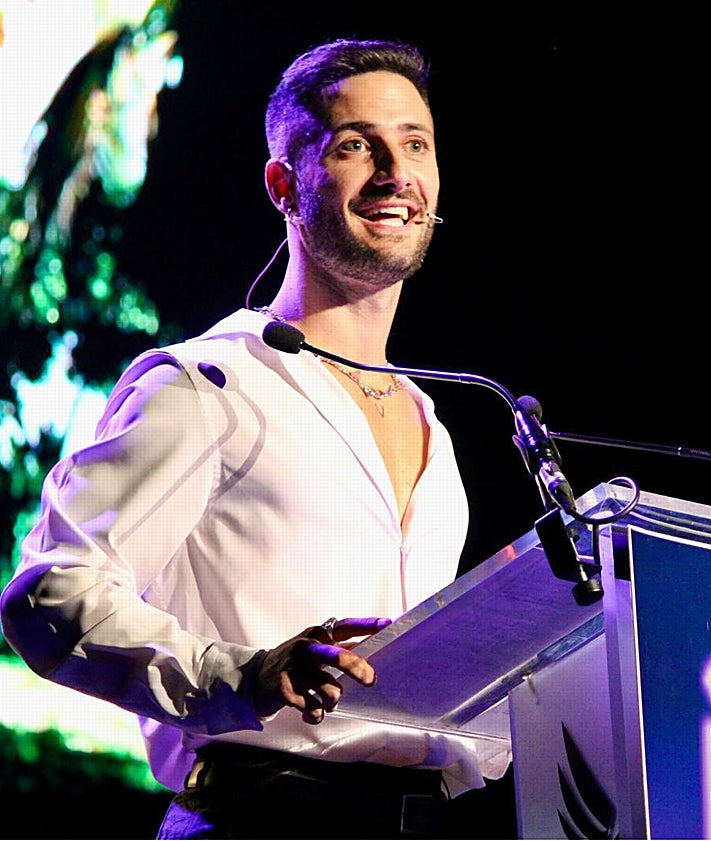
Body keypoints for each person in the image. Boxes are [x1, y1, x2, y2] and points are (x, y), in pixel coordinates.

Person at [0, 38, 514, 839]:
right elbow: (48, 594)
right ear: (284, 185)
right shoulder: (206, 385)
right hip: (258, 815)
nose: (395, 173)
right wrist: (247, 673)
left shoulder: (432, 424)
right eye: (355, 146)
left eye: (415, 143)